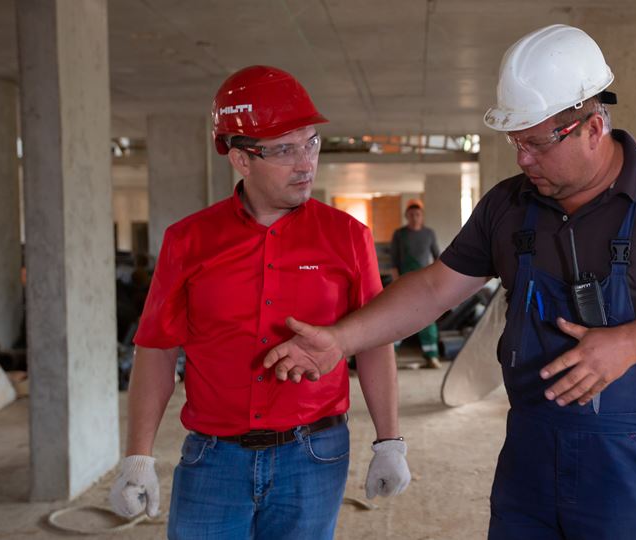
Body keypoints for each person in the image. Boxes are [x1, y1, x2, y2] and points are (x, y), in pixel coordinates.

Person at [263, 24, 636, 539]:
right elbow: (435, 288)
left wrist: (630, 344)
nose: (522, 159)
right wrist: (341, 339)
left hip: (633, 454)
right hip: (530, 449)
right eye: (516, 141)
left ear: (593, 126)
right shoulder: (508, 204)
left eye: (537, 143)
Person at [109, 65, 410, 540]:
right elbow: (157, 348)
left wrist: (390, 441)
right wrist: (137, 456)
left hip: (314, 455)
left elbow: (374, 341)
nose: (305, 163)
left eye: (310, 143)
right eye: (285, 150)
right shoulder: (188, 241)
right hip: (213, 459)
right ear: (240, 159)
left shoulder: (348, 237)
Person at [389, 199, 442, 367]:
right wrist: (395, 281)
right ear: (406, 216)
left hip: (424, 281)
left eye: (417, 214)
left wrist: (437, 280)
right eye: (411, 215)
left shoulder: (429, 234)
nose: (414, 217)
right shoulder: (399, 234)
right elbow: (394, 260)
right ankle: (392, 355)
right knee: (398, 317)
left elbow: (437, 257)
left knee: (428, 318)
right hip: (404, 281)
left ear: (422, 216)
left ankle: (431, 355)